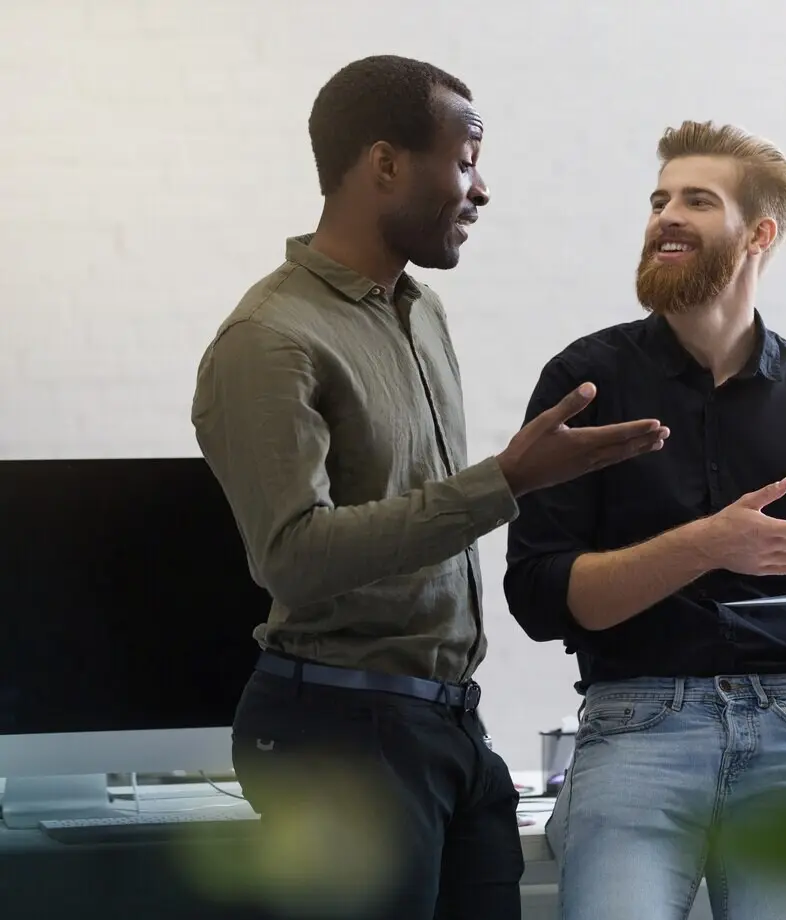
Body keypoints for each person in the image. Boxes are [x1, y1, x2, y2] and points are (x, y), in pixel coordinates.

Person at [190, 55, 668, 920]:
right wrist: (507, 482)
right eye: (465, 159)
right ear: (384, 164)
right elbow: (293, 559)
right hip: (338, 735)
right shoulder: (269, 339)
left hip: (446, 728)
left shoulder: (420, 310)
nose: (480, 189)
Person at [504, 120, 786, 920]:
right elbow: (540, 597)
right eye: (659, 199)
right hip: (638, 721)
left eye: (696, 201)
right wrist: (709, 543)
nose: (665, 216)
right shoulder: (585, 381)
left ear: (759, 234)